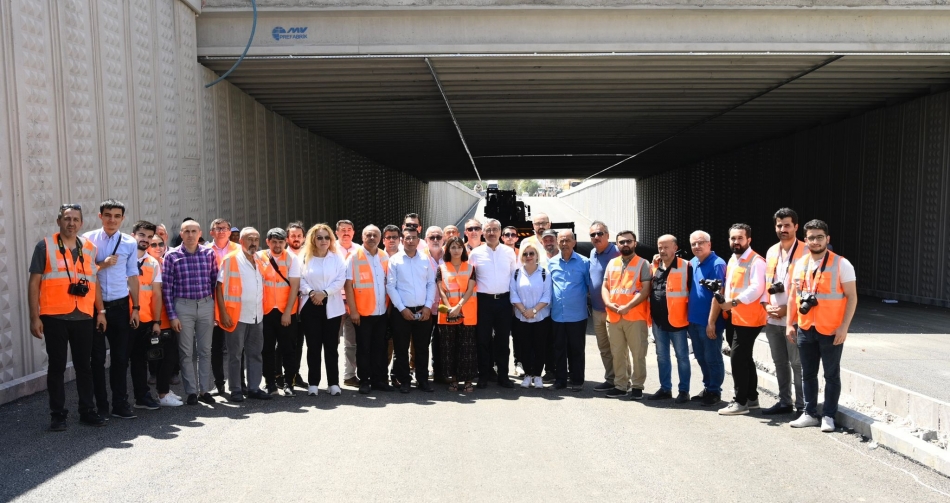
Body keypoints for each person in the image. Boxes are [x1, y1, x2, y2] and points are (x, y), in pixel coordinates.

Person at [29, 204, 105, 430]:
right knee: (57, 367)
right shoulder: (45, 246)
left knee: (84, 367)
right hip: (54, 316)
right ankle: (58, 415)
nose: (71, 223)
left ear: (81, 223)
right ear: (58, 221)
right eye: (67, 218)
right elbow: (34, 283)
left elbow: (93, 281)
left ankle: (87, 410)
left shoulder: (89, 248)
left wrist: (101, 312)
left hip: (84, 315)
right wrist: (34, 317)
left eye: (75, 219)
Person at [788, 220, 857, 432]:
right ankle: (809, 413)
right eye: (811, 237)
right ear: (805, 239)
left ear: (827, 239)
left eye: (820, 237)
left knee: (831, 375)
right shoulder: (800, 264)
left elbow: (852, 297)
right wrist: (790, 323)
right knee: (808, 373)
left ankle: (828, 415)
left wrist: (844, 327)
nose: (815, 241)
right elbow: (793, 296)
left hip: (831, 329)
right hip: (806, 327)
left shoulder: (841, 264)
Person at [83, 199, 140, 420]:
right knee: (96, 359)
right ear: (100, 216)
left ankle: (120, 404)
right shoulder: (88, 240)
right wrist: (103, 264)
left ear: (122, 219)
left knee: (120, 358)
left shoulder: (129, 242)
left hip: (120, 306)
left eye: (117, 216)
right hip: (95, 308)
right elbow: (84, 272)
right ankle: (101, 406)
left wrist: (136, 308)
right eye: (107, 215)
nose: (112, 220)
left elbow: (132, 276)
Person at [709, 223, 767, 416]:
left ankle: (740, 401)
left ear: (749, 239)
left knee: (738, 358)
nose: (736, 241)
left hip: (749, 318)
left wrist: (733, 302)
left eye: (740, 238)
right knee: (744, 358)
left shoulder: (756, 261)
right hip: (734, 316)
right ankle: (751, 398)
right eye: (733, 238)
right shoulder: (734, 259)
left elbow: (757, 288)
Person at [163, 219, 218, 405]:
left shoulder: (209, 254)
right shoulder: (171, 256)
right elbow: (167, 289)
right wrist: (172, 316)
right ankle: (191, 392)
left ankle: (204, 390)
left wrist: (215, 310)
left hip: (206, 305)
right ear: (181, 234)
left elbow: (214, 283)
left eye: (194, 231)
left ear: (200, 233)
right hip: (183, 306)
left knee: (205, 350)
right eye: (186, 231)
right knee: (186, 351)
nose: (190, 235)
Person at [216, 228, 272, 402]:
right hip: (236, 315)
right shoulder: (231, 259)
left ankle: (254, 388)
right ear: (241, 241)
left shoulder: (261, 259)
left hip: (257, 314)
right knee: (235, 355)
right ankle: (236, 390)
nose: (253, 242)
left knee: (255, 353)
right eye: (249, 239)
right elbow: (219, 287)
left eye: (256, 239)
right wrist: (223, 313)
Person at [762, 208, 806, 416]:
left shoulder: (806, 251)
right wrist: (766, 306)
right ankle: (784, 402)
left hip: (795, 319)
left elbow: (810, 289)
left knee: (798, 364)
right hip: (773, 319)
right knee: (780, 362)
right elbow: (766, 283)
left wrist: (787, 309)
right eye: (779, 225)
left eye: (787, 225)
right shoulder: (771, 251)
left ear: (796, 226)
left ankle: (803, 406)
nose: (783, 229)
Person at [602, 231, 652, 399]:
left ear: (635, 243)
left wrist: (628, 306)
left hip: (635, 316)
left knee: (638, 354)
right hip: (614, 316)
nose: (625, 244)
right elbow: (605, 287)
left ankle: (637, 386)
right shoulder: (612, 263)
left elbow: (645, 290)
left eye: (628, 241)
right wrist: (608, 303)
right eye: (621, 242)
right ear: (617, 244)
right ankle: (621, 385)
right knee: (618, 353)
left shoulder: (643, 263)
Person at [469, 219, 519, 388]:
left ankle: (503, 376)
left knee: (503, 340)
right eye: (488, 230)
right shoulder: (475, 253)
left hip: (504, 301)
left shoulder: (509, 252)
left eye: (495, 230)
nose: (491, 233)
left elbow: (514, 278)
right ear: (483, 233)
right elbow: (471, 278)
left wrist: (514, 302)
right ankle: (483, 375)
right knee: (483, 340)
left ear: (500, 232)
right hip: (483, 302)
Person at [387, 226, 437, 393]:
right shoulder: (395, 260)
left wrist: (428, 306)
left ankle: (423, 380)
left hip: (422, 310)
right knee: (401, 349)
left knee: (422, 348)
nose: (410, 241)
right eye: (407, 238)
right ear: (402, 240)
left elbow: (431, 283)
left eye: (413, 238)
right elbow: (391, 286)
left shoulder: (425, 259)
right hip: (401, 311)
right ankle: (405, 381)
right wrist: (402, 309)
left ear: (418, 240)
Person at [300, 224, 347, 396]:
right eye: (319, 237)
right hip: (310, 304)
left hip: (332, 306)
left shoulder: (337, 258)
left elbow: (340, 280)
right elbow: (300, 279)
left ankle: (333, 383)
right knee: (313, 346)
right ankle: (313, 383)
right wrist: (312, 292)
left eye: (327, 237)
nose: (323, 240)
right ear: (313, 239)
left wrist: (324, 293)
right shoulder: (304, 257)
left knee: (331, 346)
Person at [344, 225, 392, 395]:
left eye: (375, 235)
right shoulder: (353, 257)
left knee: (379, 347)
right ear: (362, 237)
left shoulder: (384, 256)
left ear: (380, 238)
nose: (372, 238)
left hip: (381, 311)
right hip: (362, 313)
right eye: (368, 235)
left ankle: (377, 380)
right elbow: (348, 285)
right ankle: (364, 380)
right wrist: (353, 311)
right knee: (363, 348)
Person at [648, 235, 693, 403]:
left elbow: (692, 292)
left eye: (666, 247)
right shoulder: (655, 266)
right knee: (662, 356)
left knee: (682, 357)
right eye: (660, 247)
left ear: (675, 247)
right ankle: (665, 389)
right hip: (658, 321)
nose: (662, 250)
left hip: (678, 320)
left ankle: (684, 391)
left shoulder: (686, 266)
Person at [686, 230, 727, 406]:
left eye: (700, 242)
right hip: (694, 320)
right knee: (701, 357)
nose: (697, 246)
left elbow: (718, 295)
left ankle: (715, 391)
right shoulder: (693, 262)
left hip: (709, 322)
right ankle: (708, 387)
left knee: (712, 358)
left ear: (709, 244)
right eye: (693, 244)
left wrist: (711, 322)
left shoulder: (717, 264)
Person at [548, 230, 593, 391]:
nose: (564, 244)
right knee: (559, 349)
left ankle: (577, 380)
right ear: (557, 243)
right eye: (561, 241)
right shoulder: (551, 263)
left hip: (577, 315)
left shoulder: (584, 262)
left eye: (567, 240)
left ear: (574, 242)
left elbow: (589, 286)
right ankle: (560, 380)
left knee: (577, 349)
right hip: (557, 315)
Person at [259, 228, 301, 397]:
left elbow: (295, 287)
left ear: (286, 242)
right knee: (266, 349)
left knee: (288, 349)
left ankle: (289, 383)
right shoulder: (260, 257)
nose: (277, 245)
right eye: (274, 242)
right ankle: (270, 383)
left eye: (281, 242)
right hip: (265, 311)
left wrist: (287, 312)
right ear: (267, 242)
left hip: (286, 312)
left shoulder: (292, 259)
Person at [128, 221, 164, 410]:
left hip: (145, 320)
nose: (146, 240)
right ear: (133, 235)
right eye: (142, 235)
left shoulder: (153, 263)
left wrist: (156, 322)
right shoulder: (123, 258)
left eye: (149, 237)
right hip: (123, 318)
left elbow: (156, 294)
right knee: (119, 361)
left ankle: (141, 397)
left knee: (140, 361)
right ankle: (118, 402)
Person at [436, 236, 478, 392]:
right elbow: (441, 291)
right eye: (453, 247)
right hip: (448, 314)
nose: (456, 250)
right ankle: (453, 379)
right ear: (447, 250)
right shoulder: (441, 268)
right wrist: (450, 309)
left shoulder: (470, 267)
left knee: (467, 348)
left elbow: (470, 289)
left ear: (463, 249)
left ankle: (468, 380)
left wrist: (458, 307)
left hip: (467, 312)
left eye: (459, 247)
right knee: (449, 348)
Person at [146, 233, 182, 405]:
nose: (158, 247)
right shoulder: (147, 264)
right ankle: (162, 394)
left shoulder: (164, 262)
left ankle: (164, 390)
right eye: (153, 245)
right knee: (161, 358)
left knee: (169, 357)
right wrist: (155, 322)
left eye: (160, 244)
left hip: (168, 317)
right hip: (155, 319)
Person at [510, 243, 552, 389]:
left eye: (531, 253)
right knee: (525, 347)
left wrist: (533, 311)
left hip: (541, 317)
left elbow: (547, 295)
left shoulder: (545, 273)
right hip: (521, 317)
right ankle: (528, 375)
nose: (528, 256)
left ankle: (538, 376)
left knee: (540, 346)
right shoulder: (516, 273)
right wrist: (524, 311)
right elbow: (513, 294)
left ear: (537, 256)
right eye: (525, 254)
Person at [587, 221, 622, 393]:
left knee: (618, 348)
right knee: (604, 349)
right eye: (592, 235)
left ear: (608, 235)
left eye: (600, 233)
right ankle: (611, 379)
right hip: (597, 310)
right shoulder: (592, 253)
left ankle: (623, 382)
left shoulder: (617, 252)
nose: (596, 237)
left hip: (613, 310)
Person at [208, 218, 241, 396]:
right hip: (212, 305)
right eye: (217, 228)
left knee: (238, 348)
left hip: (235, 305)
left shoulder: (239, 249)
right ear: (211, 232)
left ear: (230, 232)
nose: (221, 231)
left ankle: (240, 383)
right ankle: (219, 383)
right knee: (216, 348)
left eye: (224, 228)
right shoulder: (205, 250)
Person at [284, 220, 308, 391]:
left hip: (303, 306)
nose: (296, 238)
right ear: (287, 238)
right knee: (284, 343)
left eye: (299, 235)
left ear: (304, 238)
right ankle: (279, 375)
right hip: (286, 306)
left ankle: (295, 373)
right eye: (293, 235)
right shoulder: (282, 255)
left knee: (299, 342)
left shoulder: (309, 255)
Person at [335, 219, 360, 387]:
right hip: (335, 302)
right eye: (342, 230)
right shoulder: (330, 249)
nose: (346, 232)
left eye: (349, 229)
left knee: (352, 342)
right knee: (332, 342)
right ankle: (332, 378)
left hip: (354, 302)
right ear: (336, 232)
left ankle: (349, 375)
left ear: (353, 232)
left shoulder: (359, 250)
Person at [423, 226, 446, 382]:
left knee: (441, 341)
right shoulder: (419, 257)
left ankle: (439, 372)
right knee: (422, 342)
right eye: (432, 237)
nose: (435, 240)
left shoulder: (450, 256)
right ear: (426, 240)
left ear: (443, 239)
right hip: (425, 307)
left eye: (438, 237)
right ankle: (422, 374)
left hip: (444, 307)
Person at [539, 228, 560, 382]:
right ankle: (550, 370)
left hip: (560, 306)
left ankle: (565, 370)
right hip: (544, 307)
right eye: (545, 240)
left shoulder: (563, 257)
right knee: (546, 341)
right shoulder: (539, 260)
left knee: (561, 340)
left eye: (551, 239)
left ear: (557, 240)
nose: (548, 242)